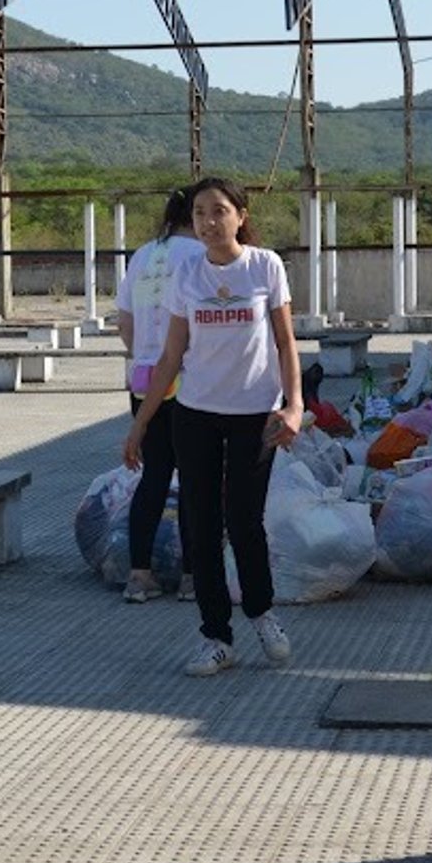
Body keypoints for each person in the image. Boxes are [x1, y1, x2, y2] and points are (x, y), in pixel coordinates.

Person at [122, 177, 304, 676]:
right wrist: (140, 424)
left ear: (240, 216)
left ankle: (262, 613)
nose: (209, 221)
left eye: (219, 211)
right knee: (200, 528)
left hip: (254, 415)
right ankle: (215, 636)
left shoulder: (265, 266)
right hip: (196, 414)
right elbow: (171, 356)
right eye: (200, 212)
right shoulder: (187, 274)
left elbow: (287, 344)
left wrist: (294, 407)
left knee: (244, 522)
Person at [112, 186, 203, 603]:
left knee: (154, 476)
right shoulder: (197, 255)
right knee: (193, 478)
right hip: (186, 376)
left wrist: (141, 357)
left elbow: (124, 319)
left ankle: (139, 574)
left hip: (144, 376)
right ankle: (190, 576)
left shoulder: (143, 254)